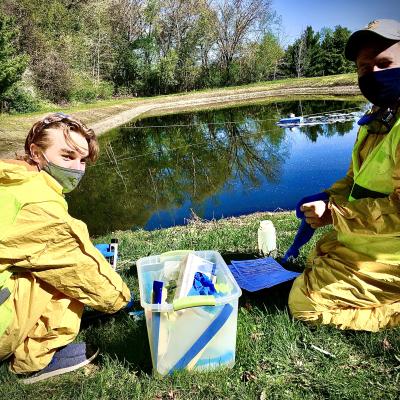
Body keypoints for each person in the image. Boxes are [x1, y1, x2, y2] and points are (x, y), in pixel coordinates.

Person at [0, 113, 132, 383]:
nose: (77, 168)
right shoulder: (40, 205)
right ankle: (33, 363)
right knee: (64, 276)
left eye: (82, 160)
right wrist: (122, 300)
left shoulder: (12, 180)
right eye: (67, 156)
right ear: (36, 153)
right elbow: (82, 269)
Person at [288, 19, 400, 332]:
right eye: (365, 67)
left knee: (303, 304)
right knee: (314, 262)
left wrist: (335, 214)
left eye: (384, 63)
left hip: (391, 261)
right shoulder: (379, 118)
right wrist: (327, 198)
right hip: (365, 245)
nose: (374, 73)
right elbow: (354, 181)